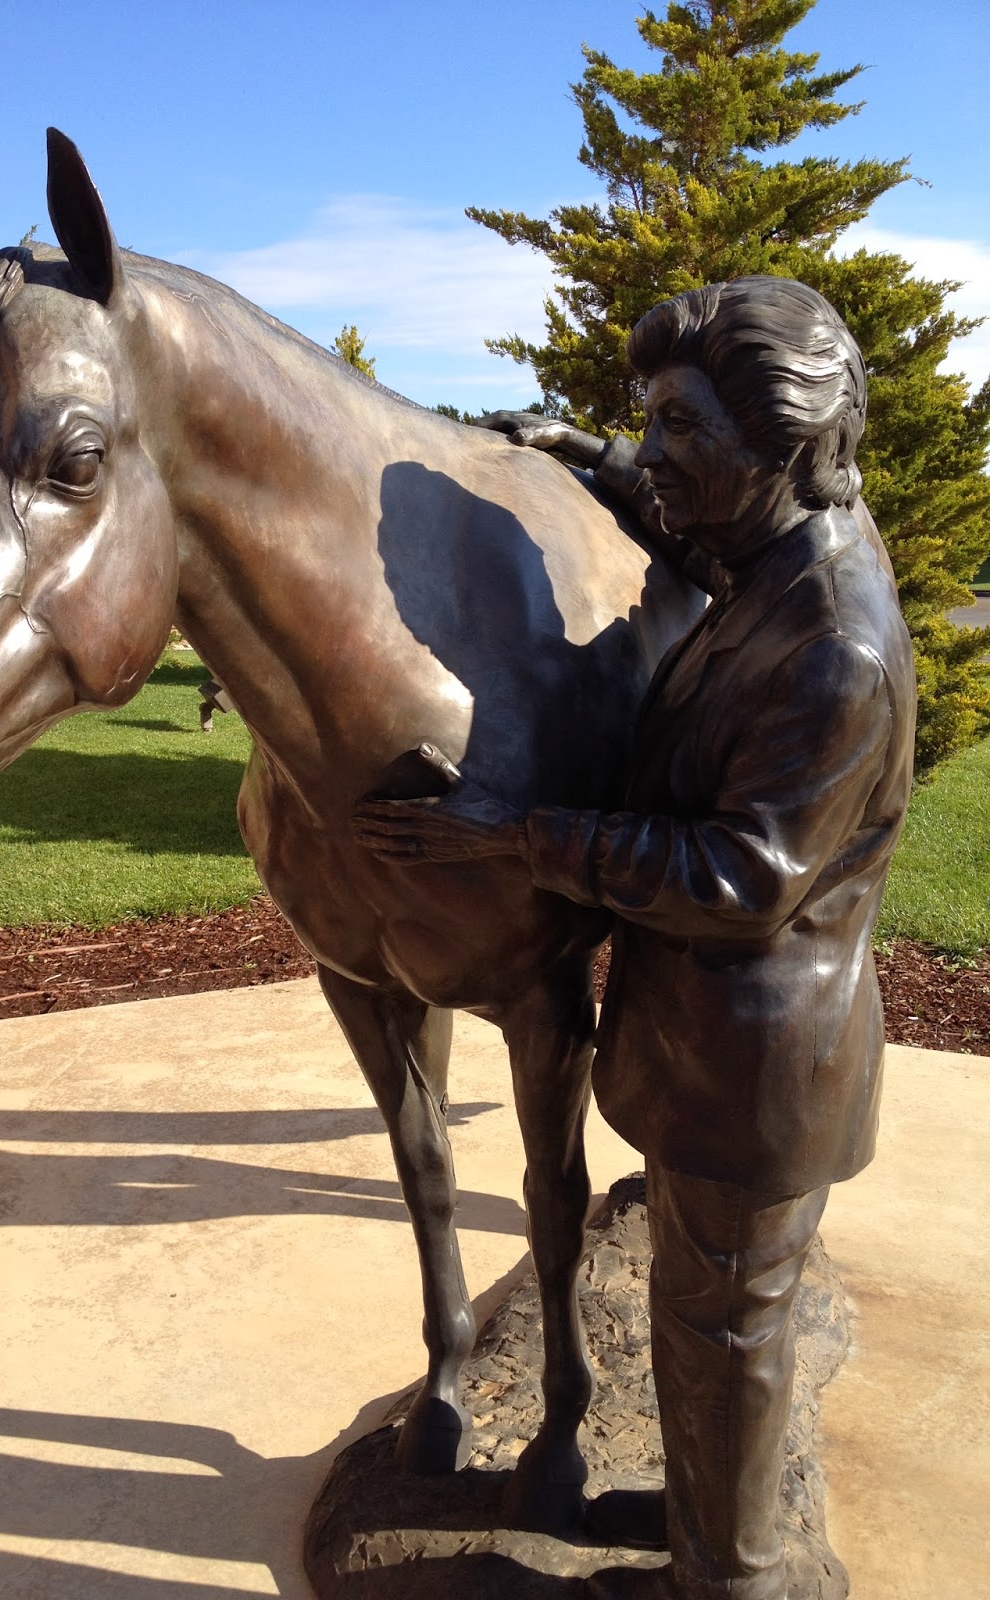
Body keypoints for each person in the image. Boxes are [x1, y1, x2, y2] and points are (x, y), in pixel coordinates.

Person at [353, 276, 916, 1600]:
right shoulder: (792, 553)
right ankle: (714, 1525)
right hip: (720, 1059)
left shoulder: (836, 647)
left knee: (724, 1331)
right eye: (646, 425)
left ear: (778, 445)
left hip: (756, 1074)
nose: (653, 454)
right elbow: (716, 533)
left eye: (676, 427)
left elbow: (740, 877)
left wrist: (520, 834)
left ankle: (725, 1579)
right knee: (710, 1327)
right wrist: (599, 464)